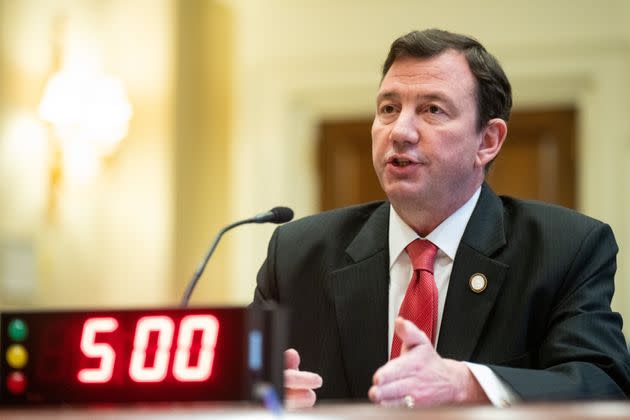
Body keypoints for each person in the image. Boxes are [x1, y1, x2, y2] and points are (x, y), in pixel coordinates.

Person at [252, 28, 630, 408]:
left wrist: (468, 384)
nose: (400, 131)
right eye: (388, 108)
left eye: (432, 109)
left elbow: (603, 382)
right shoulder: (297, 254)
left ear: (487, 141)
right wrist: (261, 396)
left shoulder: (565, 249)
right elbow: (243, 385)